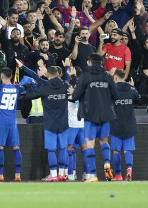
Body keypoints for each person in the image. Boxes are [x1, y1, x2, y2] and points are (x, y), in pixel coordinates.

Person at [69, 53, 118, 182]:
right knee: (104, 141)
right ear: (101, 63)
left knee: (90, 143)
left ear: (89, 62)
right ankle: (107, 165)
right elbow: (116, 94)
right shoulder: (107, 76)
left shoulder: (85, 76)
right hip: (105, 114)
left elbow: (75, 96)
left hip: (90, 114)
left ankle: (92, 175)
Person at [21, 62, 69, 182]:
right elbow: (67, 77)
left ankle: (53, 175)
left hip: (50, 124)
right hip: (63, 123)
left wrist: (28, 85)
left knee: (52, 150)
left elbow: (30, 96)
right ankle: (62, 174)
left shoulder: (45, 87)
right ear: (58, 74)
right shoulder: (66, 86)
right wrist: (67, 67)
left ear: (47, 74)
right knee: (63, 148)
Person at [111, 69, 140, 181]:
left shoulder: (112, 90)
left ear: (115, 77)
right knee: (127, 150)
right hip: (129, 125)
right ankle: (129, 170)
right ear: (125, 78)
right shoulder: (131, 89)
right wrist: (133, 87)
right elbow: (139, 100)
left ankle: (118, 175)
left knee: (116, 150)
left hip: (116, 125)